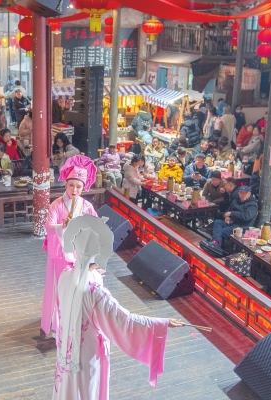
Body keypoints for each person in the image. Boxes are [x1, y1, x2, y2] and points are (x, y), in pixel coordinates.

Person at [53, 215, 181, 399]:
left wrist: (93, 272)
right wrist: (162, 323)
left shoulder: (65, 275)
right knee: (86, 390)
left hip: (66, 349)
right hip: (86, 353)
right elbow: (125, 321)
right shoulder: (95, 293)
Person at [41, 155, 98, 336]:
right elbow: (48, 226)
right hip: (61, 254)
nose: (74, 190)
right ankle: (60, 325)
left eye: (78, 186)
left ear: (83, 187)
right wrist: (62, 226)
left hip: (80, 253)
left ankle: (76, 320)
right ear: (65, 184)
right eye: (71, 185)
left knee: (79, 287)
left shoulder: (86, 206)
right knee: (62, 288)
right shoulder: (56, 205)